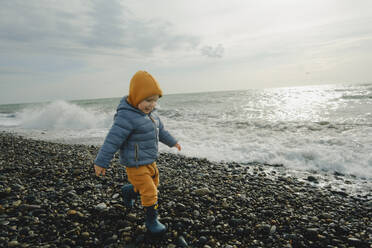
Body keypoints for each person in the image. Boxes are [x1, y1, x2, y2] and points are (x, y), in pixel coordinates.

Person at [93, 70, 181, 234]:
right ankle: (151, 221)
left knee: (153, 185)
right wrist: (101, 162)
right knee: (150, 191)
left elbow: (161, 132)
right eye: (148, 100)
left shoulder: (152, 115)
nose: (151, 104)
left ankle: (128, 192)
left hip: (150, 161)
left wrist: (172, 142)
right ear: (136, 97)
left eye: (154, 101)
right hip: (134, 164)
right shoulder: (126, 117)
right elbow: (113, 140)